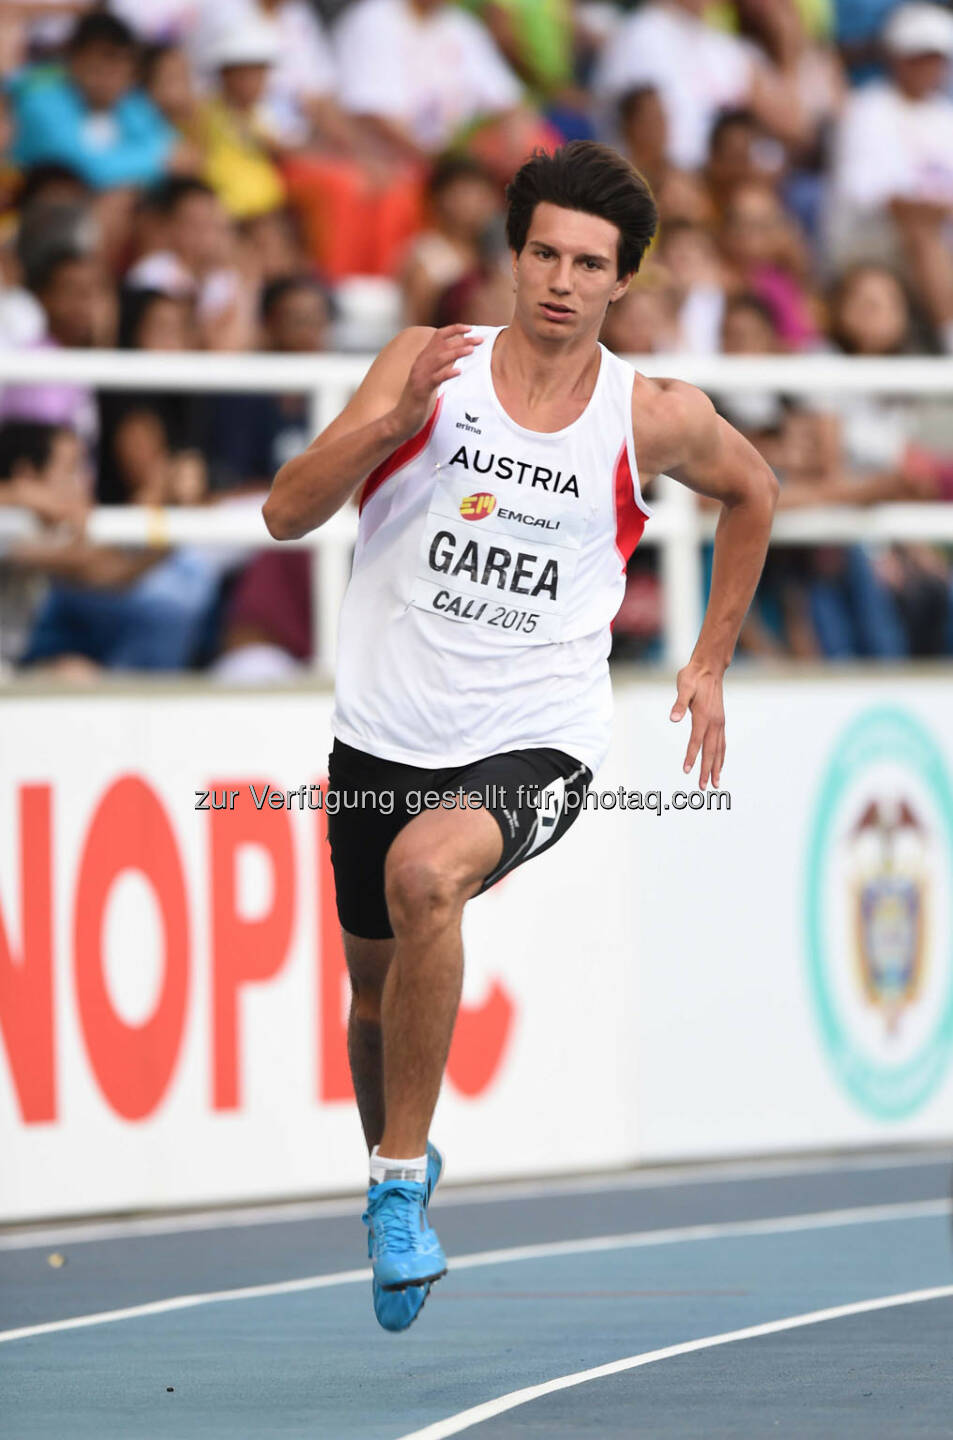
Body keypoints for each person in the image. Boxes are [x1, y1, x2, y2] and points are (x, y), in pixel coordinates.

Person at [262, 141, 778, 1333]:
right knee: (373, 1004)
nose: (559, 278)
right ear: (510, 258)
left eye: (586, 263)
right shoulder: (423, 367)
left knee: (423, 877)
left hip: (536, 737)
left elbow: (752, 493)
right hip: (382, 735)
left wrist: (706, 661)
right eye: (541, 252)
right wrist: (383, 421)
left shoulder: (649, 415)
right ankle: (402, 1158)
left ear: (619, 284)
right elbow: (287, 512)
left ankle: (396, 1190)